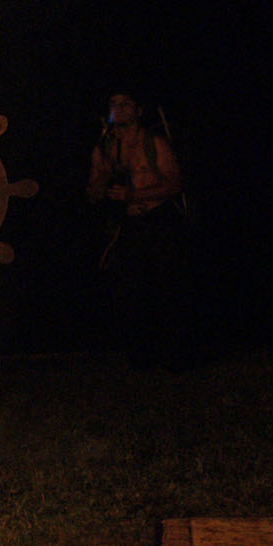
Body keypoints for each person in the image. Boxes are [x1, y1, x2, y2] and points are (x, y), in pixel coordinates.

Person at [86, 90, 190, 367]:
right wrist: (106, 175)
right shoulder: (105, 148)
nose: (118, 109)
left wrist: (135, 195)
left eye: (125, 104)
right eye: (113, 104)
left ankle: (175, 355)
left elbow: (174, 184)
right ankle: (142, 355)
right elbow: (93, 194)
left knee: (167, 286)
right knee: (132, 289)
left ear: (138, 110)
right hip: (128, 225)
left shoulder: (153, 142)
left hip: (159, 220)